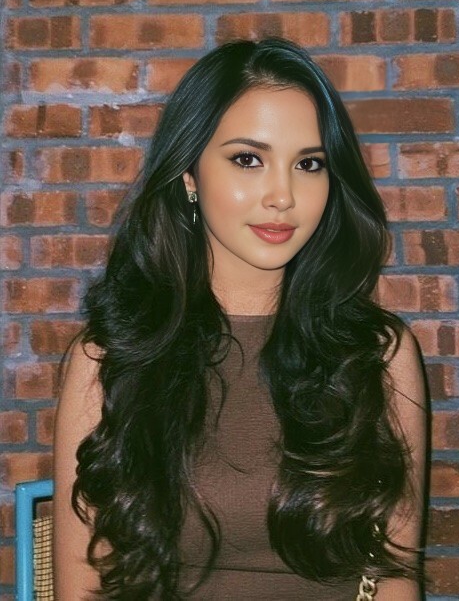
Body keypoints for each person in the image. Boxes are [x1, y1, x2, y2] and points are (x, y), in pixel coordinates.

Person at [54, 38, 428, 600]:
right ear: (189, 175)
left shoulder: (377, 352)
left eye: (309, 164)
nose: (283, 195)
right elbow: (84, 587)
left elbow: (394, 578)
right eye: (248, 159)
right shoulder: (110, 357)